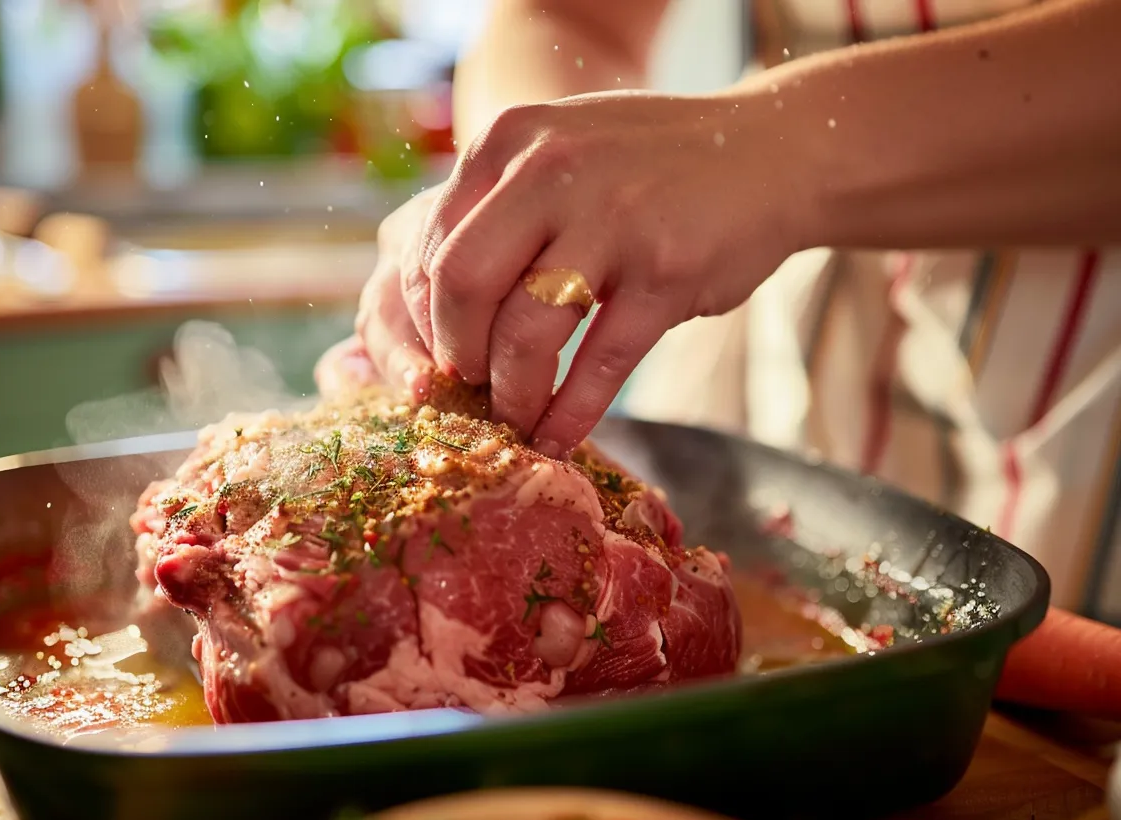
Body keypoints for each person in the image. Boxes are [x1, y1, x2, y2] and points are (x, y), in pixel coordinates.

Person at [316, 0, 1121, 617]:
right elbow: (569, 13)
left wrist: (780, 149)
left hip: (1086, 404)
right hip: (788, 393)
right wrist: (521, 187)